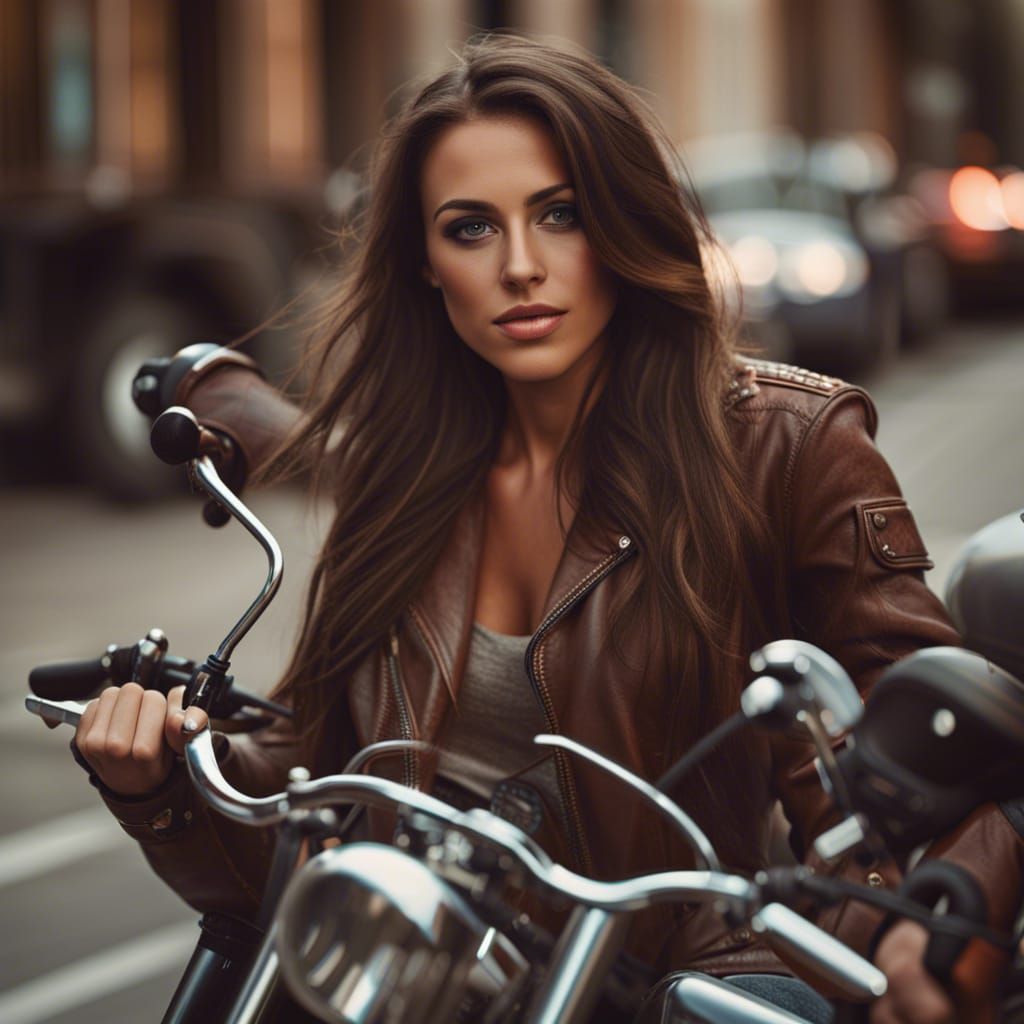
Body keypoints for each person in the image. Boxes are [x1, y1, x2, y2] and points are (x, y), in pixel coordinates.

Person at [60, 35, 1021, 1023]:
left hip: (687, 973)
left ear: (622, 222)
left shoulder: (787, 445)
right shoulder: (403, 472)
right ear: (426, 264)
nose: (520, 267)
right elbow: (314, 817)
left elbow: (922, 758)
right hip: (428, 979)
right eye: (470, 228)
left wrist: (929, 924)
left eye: (560, 214)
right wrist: (163, 775)